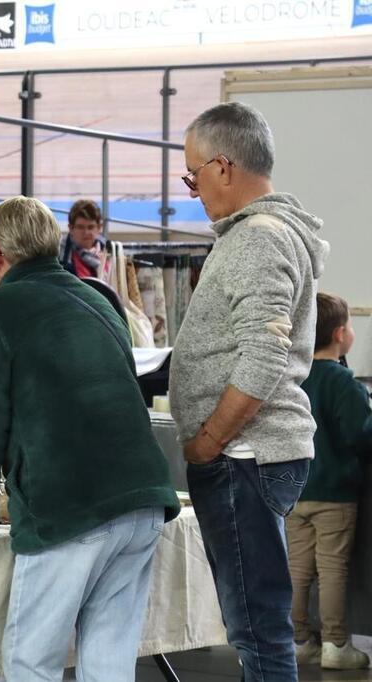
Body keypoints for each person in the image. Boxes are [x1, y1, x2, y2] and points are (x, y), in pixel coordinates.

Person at [0, 195, 179, 682]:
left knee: (31, 660)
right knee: (108, 660)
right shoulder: (97, 298)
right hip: (142, 498)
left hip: (70, 504)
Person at [169, 102, 329, 681]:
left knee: (256, 627)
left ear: (224, 165)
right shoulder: (269, 232)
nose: (192, 189)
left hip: (243, 454)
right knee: (256, 623)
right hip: (252, 453)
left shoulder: (257, 239)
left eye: (193, 174)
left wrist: (209, 440)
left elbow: (264, 356)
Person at [289, 292, 372, 670]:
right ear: (341, 334)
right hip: (335, 496)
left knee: (296, 569)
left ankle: (298, 639)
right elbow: (360, 433)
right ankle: (337, 644)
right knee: (333, 569)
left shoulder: (294, 375)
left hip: (294, 490)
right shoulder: (343, 382)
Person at [58, 198, 109, 279]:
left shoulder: (111, 253)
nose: (86, 232)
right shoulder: (58, 256)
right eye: (80, 227)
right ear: (70, 228)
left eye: (90, 227)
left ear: (99, 227)